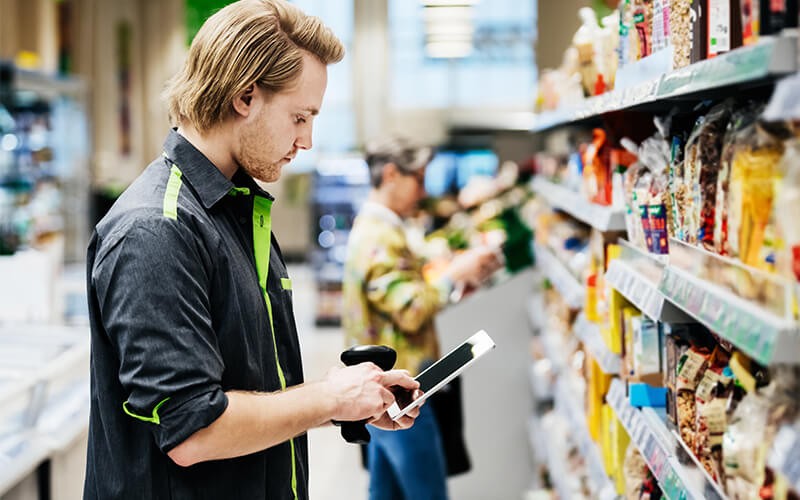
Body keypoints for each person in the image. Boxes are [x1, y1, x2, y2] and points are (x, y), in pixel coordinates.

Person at [83, 2, 420, 499]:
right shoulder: (157, 229)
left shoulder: (235, 210)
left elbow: (246, 389)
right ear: (245, 96)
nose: (307, 139)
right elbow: (195, 430)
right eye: (300, 117)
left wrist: (344, 401)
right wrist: (327, 399)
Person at [342, 137, 502, 500]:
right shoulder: (378, 235)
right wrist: (453, 276)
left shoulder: (383, 227)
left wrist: (454, 280)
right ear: (391, 174)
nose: (423, 190)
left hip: (383, 385)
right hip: (403, 388)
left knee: (386, 491)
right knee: (427, 492)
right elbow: (411, 309)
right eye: (418, 178)